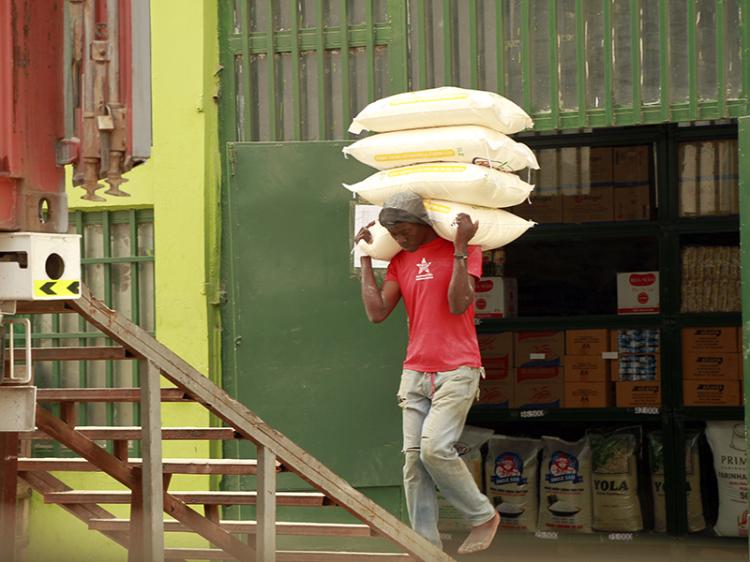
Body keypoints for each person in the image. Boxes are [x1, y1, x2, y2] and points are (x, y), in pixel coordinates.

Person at [354, 192, 500, 554]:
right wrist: (366, 258)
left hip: (458, 369)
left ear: (422, 224)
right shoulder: (400, 261)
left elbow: (458, 303)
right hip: (415, 373)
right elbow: (376, 313)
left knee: (434, 450)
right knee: (412, 463)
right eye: (394, 233)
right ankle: (425, 548)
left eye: (404, 231)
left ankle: (483, 516)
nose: (400, 238)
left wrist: (462, 247)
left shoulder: (464, 249)